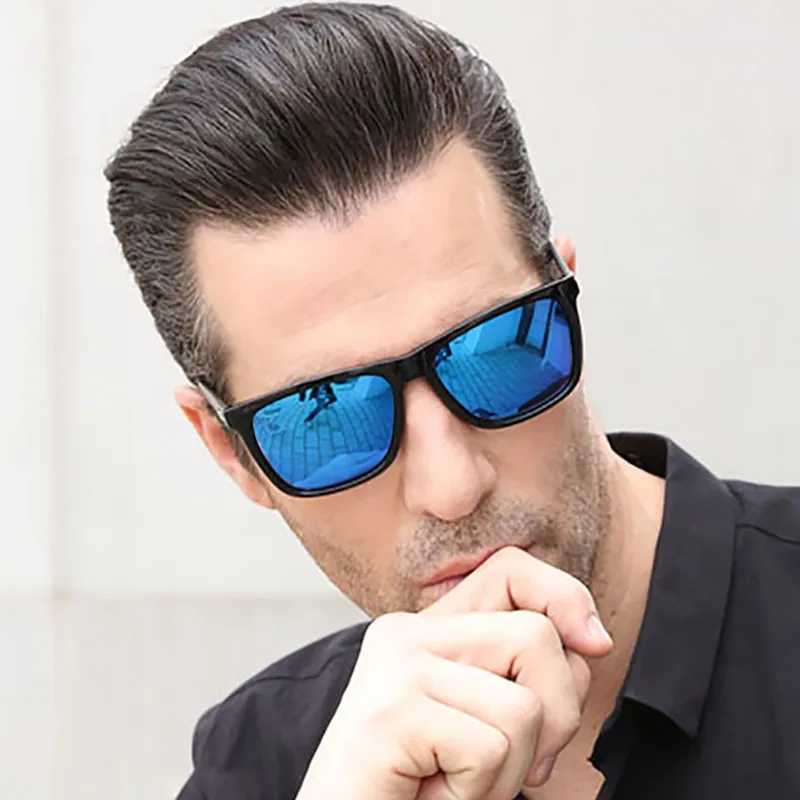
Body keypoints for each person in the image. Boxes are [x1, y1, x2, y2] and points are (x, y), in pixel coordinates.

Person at [104, 4, 800, 799]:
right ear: (232, 456)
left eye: (492, 349)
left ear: (566, 293)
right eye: (329, 413)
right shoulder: (266, 766)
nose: (453, 486)